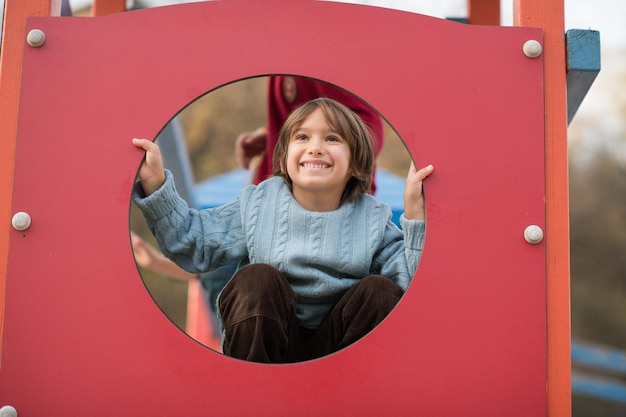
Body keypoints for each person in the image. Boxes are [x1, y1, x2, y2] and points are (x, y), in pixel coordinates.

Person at [132, 98, 433, 363]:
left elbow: (408, 286)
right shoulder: (260, 204)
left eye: (332, 139)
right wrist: (157, 185)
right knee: (256, 278)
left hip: (341, 352)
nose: (315, 148)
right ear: (284, 158)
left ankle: (355, 396)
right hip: (266, 345)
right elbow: (192, 242)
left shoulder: (373, 219)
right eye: (302, 137)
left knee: (379, 292)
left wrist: (416, 214)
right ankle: (252, 391)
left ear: (356, 163)